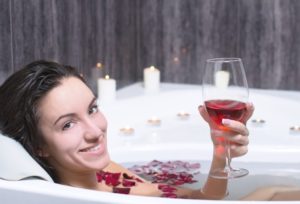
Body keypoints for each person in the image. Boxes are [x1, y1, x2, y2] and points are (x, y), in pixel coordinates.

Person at [0, 60, 254, 199]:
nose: (95, 131)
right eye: (68, 124)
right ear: (38, 147)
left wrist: (221, 151)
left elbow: (201, 199)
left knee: (272, 192)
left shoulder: (102, 172)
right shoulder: (94, 193)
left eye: (92, 109)